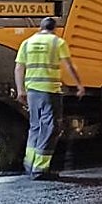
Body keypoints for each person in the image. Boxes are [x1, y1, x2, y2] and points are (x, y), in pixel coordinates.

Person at [14, 16, 85, 180]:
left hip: (32, 91)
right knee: (50, 128)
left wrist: (20, 90)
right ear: (56, 28)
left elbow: (18, 68)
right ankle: (40, 168)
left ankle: (29, 164)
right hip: (49, 91)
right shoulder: (57, 42)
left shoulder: (27, 42)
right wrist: (79, 85)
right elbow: (69, 65)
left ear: (40, 27)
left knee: (35, 126)